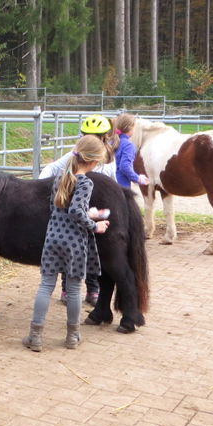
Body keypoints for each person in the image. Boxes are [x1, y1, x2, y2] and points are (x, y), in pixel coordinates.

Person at [23, 134, 110, 352]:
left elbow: (59, 209)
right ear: (93, 161)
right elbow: (75, 211)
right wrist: (95, 225)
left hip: (53, 236)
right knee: (73, 289)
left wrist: (88, 213)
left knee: (46, 286)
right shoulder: (85, 182)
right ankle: (72, 336)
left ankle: (35, 336)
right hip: (73, 241)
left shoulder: (61, 177)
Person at [38, 113, 117, 306]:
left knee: (94, 250)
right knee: (73, 251)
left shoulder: (108, 161)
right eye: (87, 136)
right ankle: (67, 288)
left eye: (96, 136)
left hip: (96, 211)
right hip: (79, 212)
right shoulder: (75, 155)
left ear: (104, 138)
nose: (91, 140)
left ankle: (93, 289)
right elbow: (51, 168)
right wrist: (39, 187)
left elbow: (114, 184)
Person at [112, 113, 149, 191]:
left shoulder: (111, 141)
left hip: (109, 182)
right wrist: (138, 178)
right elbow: (124, 167)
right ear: (130, 128)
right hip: (122, 186)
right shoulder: (128, 145)